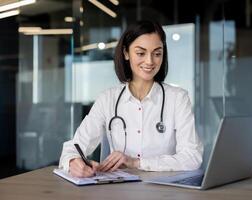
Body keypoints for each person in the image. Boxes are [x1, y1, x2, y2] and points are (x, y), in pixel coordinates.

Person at [59, 20, 203, 178]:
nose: (150, 61)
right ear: (126, 53)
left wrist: (136, 162)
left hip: (166, 190)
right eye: (141, 53)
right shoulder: (108, 99)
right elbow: (73, 148)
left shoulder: (178, 98)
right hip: (121, 191)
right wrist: (74, 162)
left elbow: (192, 157)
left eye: (157, 53)